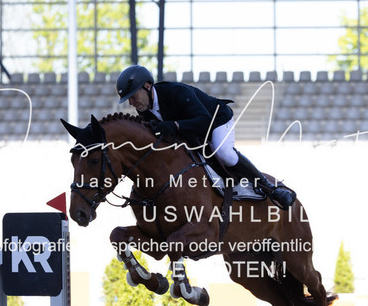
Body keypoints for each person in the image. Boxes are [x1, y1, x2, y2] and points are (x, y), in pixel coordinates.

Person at [116, 65, 296, 210]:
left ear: (147, 86)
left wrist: (175, 125)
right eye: (128, 99)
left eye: (133, 96)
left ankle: (269, 187)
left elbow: (204, 121)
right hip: (192, 133)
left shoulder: (176, 92)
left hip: (216, 120)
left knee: (224, 153)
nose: (131, 103)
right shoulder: (144, 110)